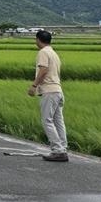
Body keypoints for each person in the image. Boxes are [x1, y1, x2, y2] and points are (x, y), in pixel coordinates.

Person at [29, 29, 69, 162]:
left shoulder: (43, 52)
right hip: (58, 90)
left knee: (47, 120)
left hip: (49, 91)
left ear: (38, 40)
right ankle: (62, 148)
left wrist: (34, 86)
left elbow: (43, 70)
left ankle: (57, 150)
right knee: (58, 121)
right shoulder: (53, 53)